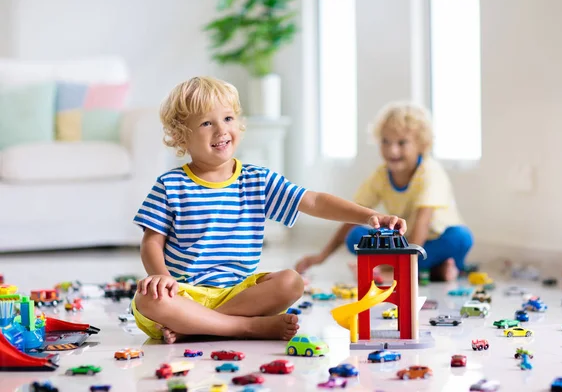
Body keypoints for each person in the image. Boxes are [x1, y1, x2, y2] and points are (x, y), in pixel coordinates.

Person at [131, 76, 407, 344]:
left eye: (228, 118)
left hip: (239, 295)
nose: (221, 130)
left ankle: (199, 327)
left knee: (291, 282)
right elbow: (152, 242)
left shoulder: (257, 179)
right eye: (206, 123)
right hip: (184, 295)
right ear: (181, 137)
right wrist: (162, 278)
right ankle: (245, 327)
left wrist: (369, 215)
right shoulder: (171, 184)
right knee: (147, 299)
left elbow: (313, 201)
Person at [295, 102, 473, 282]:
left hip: (432, 240)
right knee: (355, 236)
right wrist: (321, 256)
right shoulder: (381, 175)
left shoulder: (430, 172)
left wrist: (398, 268)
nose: (392, 150)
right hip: (404, 242)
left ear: (422, 144)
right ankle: (434, 271)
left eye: (402, 143)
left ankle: (395, 271)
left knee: (461, 238)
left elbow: (422, 223)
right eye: (385, 141)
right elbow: (352, 216)